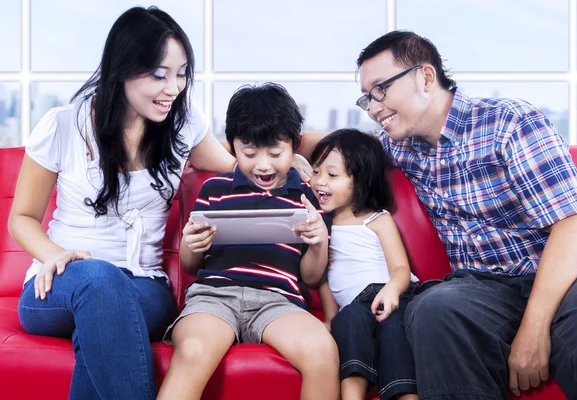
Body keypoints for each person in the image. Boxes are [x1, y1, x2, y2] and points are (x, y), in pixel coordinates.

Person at [299, 30, 577, 400]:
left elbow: (573, 223)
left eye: (381, 90)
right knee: (434, 308)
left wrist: (534, 329)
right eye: (366, 98)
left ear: (425, 77)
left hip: (567, 279)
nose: (373, 107)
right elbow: (333, 144)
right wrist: (258, 144)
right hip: (483, 290)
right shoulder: (400, 145)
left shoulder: (510, 122)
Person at [7, 6, 239, 400]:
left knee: (99, 324)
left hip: (144, 287)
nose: (174, 88)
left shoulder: (182, 126)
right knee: (99, 279)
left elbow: (239, 165)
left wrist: (300, 150)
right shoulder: (63, 124)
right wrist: (54, 255)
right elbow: (23, 217)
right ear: (123, 68)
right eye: (159, 74)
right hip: (59, 284)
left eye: (181, 74)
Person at [157, 82, 340, 400]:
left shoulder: (307, 195)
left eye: (275, 153)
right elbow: (190, 264)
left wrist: (318, 242)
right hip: (213, 297)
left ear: (294, 145)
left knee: (322, 350)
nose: (263, 165)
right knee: (194, 350)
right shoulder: (215, 188)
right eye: (250, 153)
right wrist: (191, 243)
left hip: (278, 301)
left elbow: (310, 277)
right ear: (233, 146)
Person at [311, 128, 420, 400]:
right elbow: (323, 276)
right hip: (354, 307)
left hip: (395, 296)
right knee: (348, 320)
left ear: (359, 181)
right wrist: (328, 318)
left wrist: (392, 291)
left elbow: (400, 269)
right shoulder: (319, 227)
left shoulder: (377, 220)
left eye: (332, 175)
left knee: (394, 329)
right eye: (316, 171)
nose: (320, 182)